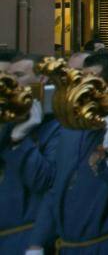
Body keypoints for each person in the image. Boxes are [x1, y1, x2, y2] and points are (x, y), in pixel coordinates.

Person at [26, 52, 108, 254]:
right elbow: (57, 187)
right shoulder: (72, 128)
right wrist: (37, 242)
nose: (79, 88)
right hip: (69, 246)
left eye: (89, 80)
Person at [0, 56, 60, 253]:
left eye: (18, 75)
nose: (10, 83)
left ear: (41, 80)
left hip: (25, 236)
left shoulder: (56, 125)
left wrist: (20, 139)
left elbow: (44, 182)